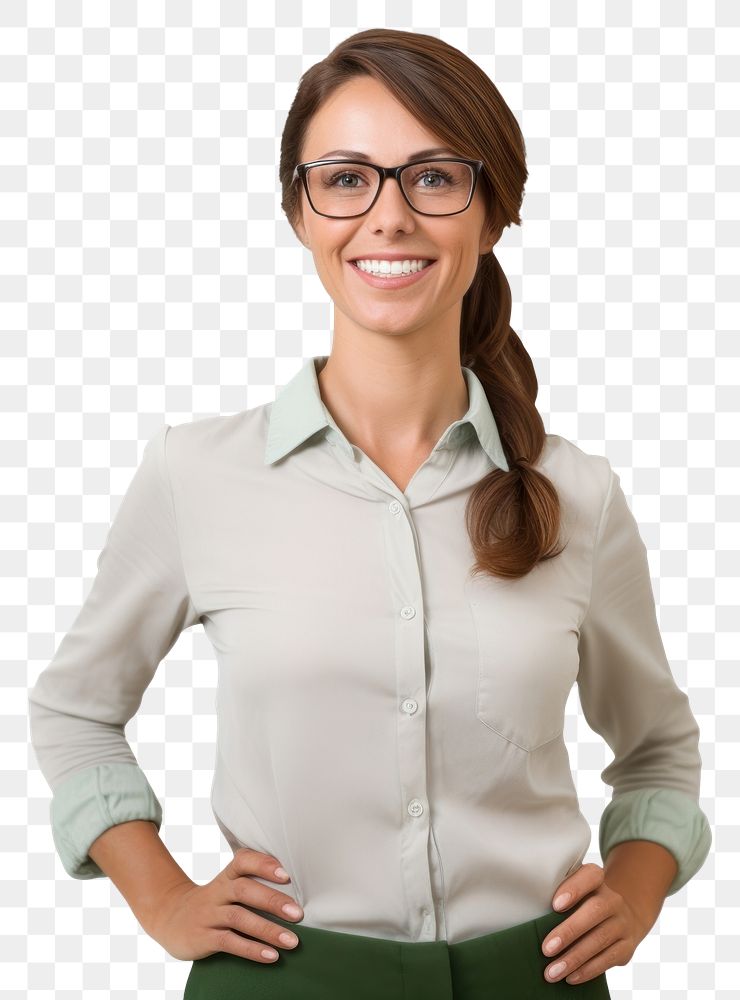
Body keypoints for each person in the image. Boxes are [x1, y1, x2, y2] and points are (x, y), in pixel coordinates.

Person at [28, 27, 712, 1000]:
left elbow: (655, 746)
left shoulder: (577, 494)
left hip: (536, 981)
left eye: (432, 177)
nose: (387, 216)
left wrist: (639, 892)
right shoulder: (197, 475)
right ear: (301, 211)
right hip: (280, 983)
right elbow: (75, 711)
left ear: (490, 211)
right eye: (345, 179)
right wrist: (162, 897)